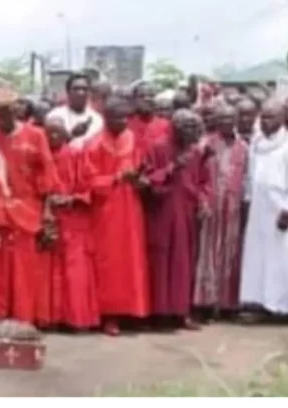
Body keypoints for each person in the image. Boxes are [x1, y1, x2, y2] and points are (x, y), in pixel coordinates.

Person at [0, 87, 58, 323]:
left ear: (16, 110)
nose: (0, 117)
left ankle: (22, 319)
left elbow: (47, 179)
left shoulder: (36, 136)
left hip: (26, 215)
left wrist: (47, 213)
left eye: (5, 112)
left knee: (23, 271)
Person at [84, 95, 150, 336]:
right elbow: (88, 181)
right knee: (109, 263)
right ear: (105, 118)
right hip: (106, 211)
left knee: (131, 261)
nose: (122, 122)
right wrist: (115, 178)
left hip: (130, 208)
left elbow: (142, 167)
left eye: (126, 118)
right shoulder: (94, 144)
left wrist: (141, 180)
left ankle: (132, 311)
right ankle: (109, 315)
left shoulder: (132, 138)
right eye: (117, 118)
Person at [142, 109, 211, 330]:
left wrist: (204, 200)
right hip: (163, 213)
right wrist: (172, 167)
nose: (191, 138)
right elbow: (147, 180)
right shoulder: (159, 146)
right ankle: (161, 313)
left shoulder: (195, 150)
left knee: (184, 263)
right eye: (187, 131)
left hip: (187, 212)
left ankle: (182, 312)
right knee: (162, 262)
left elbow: (204, 180)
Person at [39, 115, 100, 330]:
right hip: (49, 219)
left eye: (58, 131)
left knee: (75, 271)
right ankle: (52, 318)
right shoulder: (40, 156)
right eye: (49, 132)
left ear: (65, 133)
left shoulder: (76, 154)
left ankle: (76, 318)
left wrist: (70, 198)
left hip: (74, 219)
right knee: (49, 271)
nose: (53, 136)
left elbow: (90, 185)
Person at [193, 104, 248, 320]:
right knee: (207, 253)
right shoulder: (204, 144)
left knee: (231, 253)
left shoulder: (244, 146)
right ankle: (205, 303)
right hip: (210, 206)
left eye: (230, 118)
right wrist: (202, 201)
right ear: (215, 119)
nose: (226, 122)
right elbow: (196, 176)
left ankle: (227, 305)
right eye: (222, 117)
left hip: (233, 208)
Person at [240, 99, 288, 316]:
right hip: (259, 209)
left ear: (282, 119)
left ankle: (286, 307)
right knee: (259, 257)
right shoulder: (257, 143)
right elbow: (251, 177)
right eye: (263, 117)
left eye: (271, 117)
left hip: (282, 210)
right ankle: (262, 303)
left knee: (285, 257)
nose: (265, 121)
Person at [47, 73, 104, 149]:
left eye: (84, 89)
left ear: (89, 93)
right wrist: (72, 135)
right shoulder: (54, 116)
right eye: (76, 89)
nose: (80, 92)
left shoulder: (97, 119)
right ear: (68, 92)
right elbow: (51, 147)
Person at [127, 82, 171, 152]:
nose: (147, 99)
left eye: (151, 96)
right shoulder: (126, 125)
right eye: (142, 96)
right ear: (134, 100)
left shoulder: (166, 126)